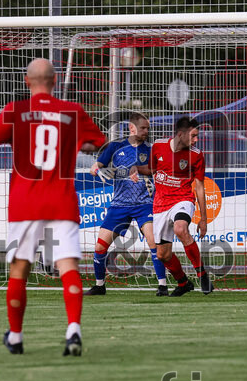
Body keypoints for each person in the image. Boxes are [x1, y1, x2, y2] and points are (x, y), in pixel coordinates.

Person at [0, 58, 106, 356]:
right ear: (55, 81)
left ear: (26, 80)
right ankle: (73, 329)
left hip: (26, 203)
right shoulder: (72, 112)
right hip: (61, 201)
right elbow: (98, 143)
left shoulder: (15, 111)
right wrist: (79, 143)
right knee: (68, 267)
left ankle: (17, 336)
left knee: (20, 269)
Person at [130, 115, 212, 296]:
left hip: (183, 200)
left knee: (181, 228)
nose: (196, 140)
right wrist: (136, 168)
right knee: (162, 255)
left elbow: (199, 187)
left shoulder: (196, 156)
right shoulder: (158, 146)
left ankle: (202, 274)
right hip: (160, 205)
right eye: (193, 136)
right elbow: (151, 169)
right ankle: (183, 282)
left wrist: (203, 219)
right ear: (181, 134)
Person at [87, 113, 167, 296]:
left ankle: (162, 285)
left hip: (145, 203)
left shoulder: (151, 149)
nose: (147, 131)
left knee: (154, 242)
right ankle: (99, 285)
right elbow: (96, 166)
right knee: (100, 246)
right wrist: (97, 169)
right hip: (119, 205)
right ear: (132, 128)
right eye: (143, 128)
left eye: (148, 128)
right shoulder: (115, 147)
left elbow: (156, 170)